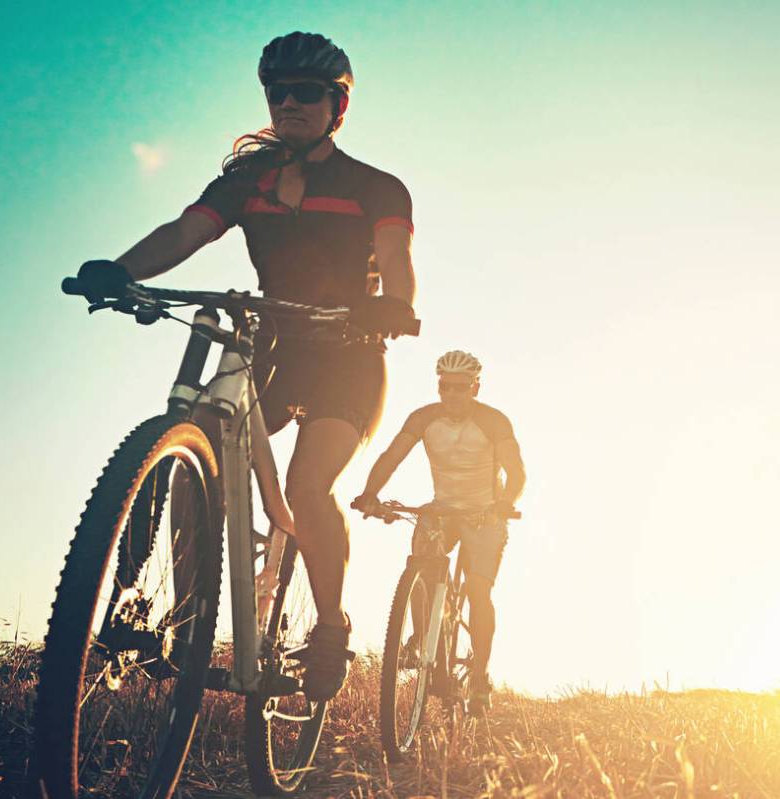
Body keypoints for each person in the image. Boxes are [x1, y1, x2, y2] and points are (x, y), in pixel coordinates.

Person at [72, 31, 417, 701]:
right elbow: (183, 232)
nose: (288, 102)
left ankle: (329, 624)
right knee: (194, 437)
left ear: (336, 107)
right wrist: (119, 269)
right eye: (277, 91)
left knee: (308, 483)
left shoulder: (375, 187)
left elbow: (397, 260)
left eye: (306, 93)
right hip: (276, 348)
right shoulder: (246, 185)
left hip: (348, 355)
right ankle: (182, 618)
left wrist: (395, 306)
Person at [354, 351, 526, 711]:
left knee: (479, 593)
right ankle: (422, 636)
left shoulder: (493, 421)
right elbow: (391, 456)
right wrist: (370, 493)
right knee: (419, 562)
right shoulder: (424, 418)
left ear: (475, 388)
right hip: (442, 509)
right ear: (439, 386)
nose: (452, 395)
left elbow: (516, 472)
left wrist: (506, 501)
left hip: (485, 513)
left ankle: (479, 676)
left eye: (461, 388)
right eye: (446, 387)